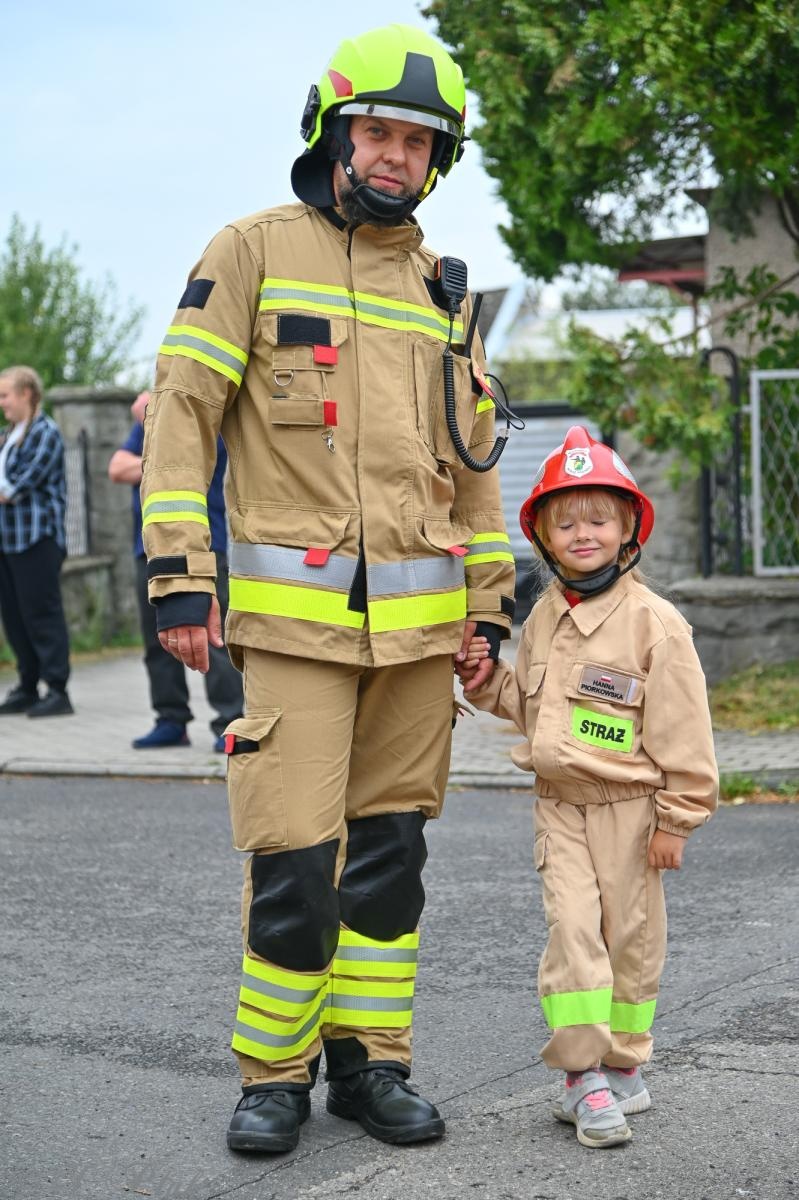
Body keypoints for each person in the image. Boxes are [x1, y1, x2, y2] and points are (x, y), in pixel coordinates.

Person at [140, 23, 515, 1154]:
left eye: (418, 141)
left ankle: (371, 1067)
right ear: (333, 130)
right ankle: (274, 1078)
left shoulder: (446, 292)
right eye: (378, 132)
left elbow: (478, 468)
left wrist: (488, 609)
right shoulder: (251, 250)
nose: (396, 156)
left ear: (435, 160)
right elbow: (181, 416)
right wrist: (176, 579)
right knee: (296, 858)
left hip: (415, 643)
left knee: (391, 864)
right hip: (292, 635)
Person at [456, 426, 718, 1149]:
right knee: (573, 935)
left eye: (598, 518)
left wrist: (678, 819)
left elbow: (685, 736)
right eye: (564, 521)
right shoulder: (543, 616)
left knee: (632, 943)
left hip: (634, 815)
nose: (581, 534)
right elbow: (531, 706)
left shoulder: (655, 626)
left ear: (628, 528)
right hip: (562, 811)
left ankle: (623, 1064)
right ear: (539, 532)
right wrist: (487, 686)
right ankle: (580, 1077)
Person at [108, 390, 243, 751]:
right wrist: (157, 453)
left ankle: (229, 721)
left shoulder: (207, 412)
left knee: (214, 637)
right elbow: (116, 468)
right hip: (150, 547)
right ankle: (171, 720)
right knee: (157, 639)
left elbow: (194, 463)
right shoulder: (154, 418)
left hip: (204, 546)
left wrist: (154, 451)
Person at [0, 365, 74, 718]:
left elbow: (17, 486)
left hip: (37, 540)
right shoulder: (7, 436)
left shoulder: (45, 433)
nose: (2, 404)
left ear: (27, 393)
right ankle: (28, 685)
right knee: (14, 617)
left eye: (5, 395)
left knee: (42, 614)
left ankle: (57, 689)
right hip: (7, 541)